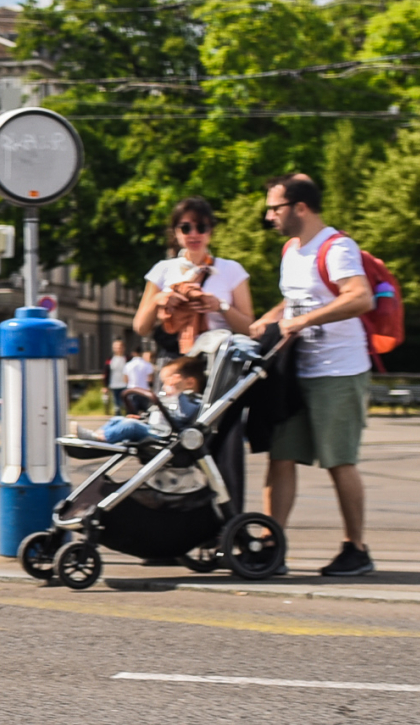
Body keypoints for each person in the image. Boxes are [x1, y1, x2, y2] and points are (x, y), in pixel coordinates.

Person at [255, 173, 375, 577]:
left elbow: (360, 296)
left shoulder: (338, 247)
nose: (269, 215)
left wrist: (302, 320)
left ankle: (356, 549)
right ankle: (273, 545)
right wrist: (263, 323)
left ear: (300, 208)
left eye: (276, 207)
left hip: (339, 369)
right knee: (282, 456)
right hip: (297, 370)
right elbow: (293, 303)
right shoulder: (292, 249)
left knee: (339, 461)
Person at [133, 196, 255, 351]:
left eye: (201, 227)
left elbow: (249, 328)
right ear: (176, 232)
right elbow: (140, 327)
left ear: (210, 231)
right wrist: (158, 300)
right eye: (185, 228)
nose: (193, 234)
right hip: (175, 356)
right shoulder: (162, 269)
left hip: (217, 358)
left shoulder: (231, 269)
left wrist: (220, 306)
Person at [82, 353, 204, 444]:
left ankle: (101, 439)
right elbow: (159, 412)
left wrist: (178, 393)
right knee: (118, 419)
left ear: (189, 383)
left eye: (170, 382)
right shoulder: (173, 397)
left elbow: (185, 414)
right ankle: (96, 434)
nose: (166, 387)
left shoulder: (191, 399)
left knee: (131, 426)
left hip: (164, 433)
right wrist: (144, 418)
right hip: (156, 427)